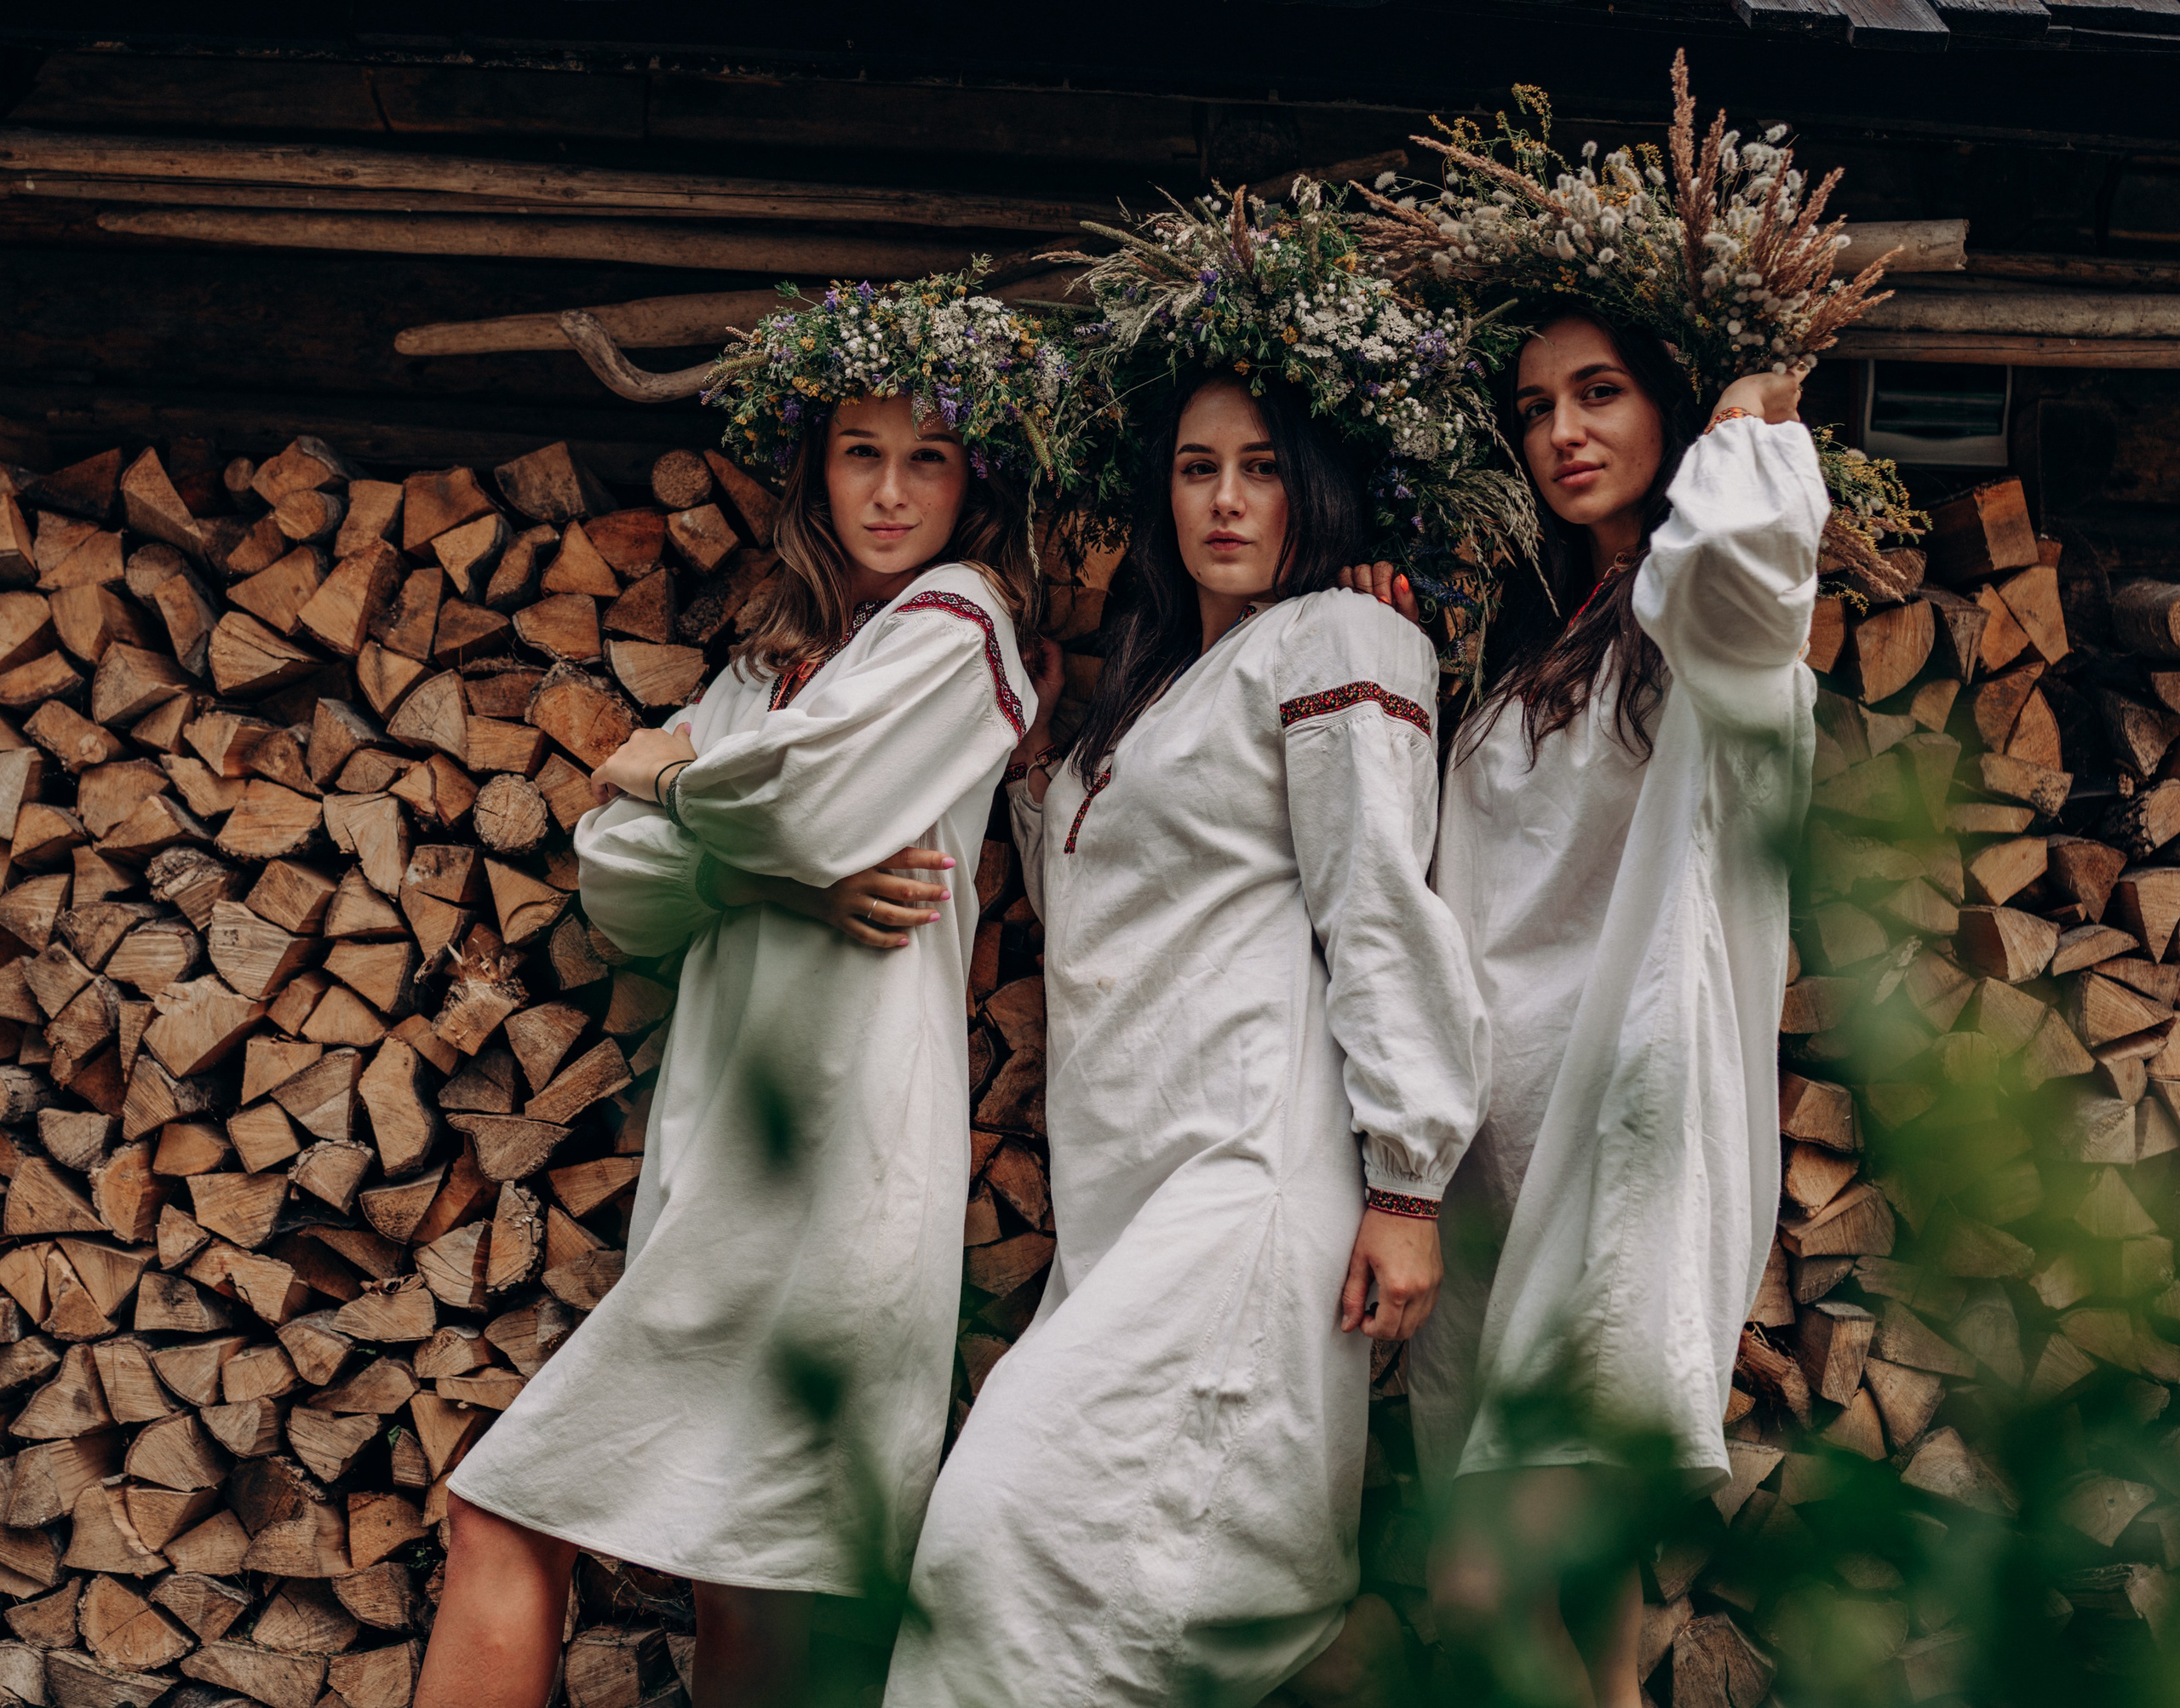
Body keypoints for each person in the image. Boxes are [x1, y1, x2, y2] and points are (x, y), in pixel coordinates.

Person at [418, 376, 1041, 1708]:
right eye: (860, 456)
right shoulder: (765, 669)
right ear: (813, 473)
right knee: (747, 1597)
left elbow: (794, 801)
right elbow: (616, 881)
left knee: (504, 1513)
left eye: (925, 461)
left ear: (970, 485)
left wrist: (663, 772)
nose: (887, 491)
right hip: (723, 1168)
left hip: (847, 1169)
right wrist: (768, 878)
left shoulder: (959, 624)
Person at [883, 370, 1491, 1708]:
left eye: (1263, 466)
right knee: (1080, 1590)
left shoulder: (1340, 637)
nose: (1225, 500)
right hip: (1126, 1201)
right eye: (1197, 467)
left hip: (1245, 1180)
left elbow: (1380, 902)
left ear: (1315, 487)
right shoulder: (1153, 694)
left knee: (1007, 1545)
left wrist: (1407, 1175)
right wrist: (1045, 758)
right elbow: (1099, 908)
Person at [1350, 306, 1823, 1707]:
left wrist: (1750, 418)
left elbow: (1738, 569)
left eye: (1603, 392)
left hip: (1628, 1141)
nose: (1563, 430)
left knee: (1476, 1585)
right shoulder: (1536, 636)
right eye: (1537, 402)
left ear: (1669, 409)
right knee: (1594, 1630)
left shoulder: (1712, 642)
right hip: (1502, 1150)